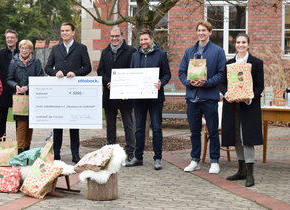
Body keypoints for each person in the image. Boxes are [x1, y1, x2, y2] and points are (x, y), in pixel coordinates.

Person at [179, 21, 226, 174]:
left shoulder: (218, 51)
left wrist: (206, 83)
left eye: (204, 30)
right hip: (192, 98)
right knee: (194, 132)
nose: (201, 33)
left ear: (210, 32)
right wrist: (189, 82)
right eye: (199, 30)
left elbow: (221, 74)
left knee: (212, 131)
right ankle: (194, 160)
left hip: (209, 97)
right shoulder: (189, 52)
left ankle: (214, 161)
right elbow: (181, 72)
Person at [219, 33, 264, 187]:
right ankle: (241, 171)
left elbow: (259, 86)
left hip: (249, 106)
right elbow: (221, 83)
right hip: (232, 106)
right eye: (238, 42)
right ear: (235, 45)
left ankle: (250, 174)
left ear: (248, 44)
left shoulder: (256, 63)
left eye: (244, 42)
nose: (240, 45)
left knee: (247, 138)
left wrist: (250, 96)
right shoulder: (229, 64)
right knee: (237, 137)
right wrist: (227, 94)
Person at [125, 28, 171, 170]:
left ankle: (157, 158)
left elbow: (167, 75)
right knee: (139, 129)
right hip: (139, 99)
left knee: (156, 128)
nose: (143, 42)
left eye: (146, 39)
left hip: (155, 98)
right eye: (141, 40)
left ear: (151, 39)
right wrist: (127, 90)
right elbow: (132, 76)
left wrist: (161, 83)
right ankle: (138, 157)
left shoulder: (161, 54)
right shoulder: (135, 56)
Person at [45, 22, 92, 163]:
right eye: (62, 31)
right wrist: (55, 72)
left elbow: (88, 67)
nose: (64, 33)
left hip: (74, 91)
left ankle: (75, 154)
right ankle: (57, 154)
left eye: (67, 30)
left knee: (73, 123)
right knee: (58, 123)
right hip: (59, 91)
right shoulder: (55, 49)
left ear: (73, 32)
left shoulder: (81, 48)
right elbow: (47, 68)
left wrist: (76, 73)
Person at [97, 26, 137, 161]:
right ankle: (111, 152)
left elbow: (134, 70)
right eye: (112, 36)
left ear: (122, 36)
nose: (114, 39)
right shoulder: (105, 52)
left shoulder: (131, 51)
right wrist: (108, 82)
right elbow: (100, 71)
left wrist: (125, 86)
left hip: (125, 95)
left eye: (117, 36)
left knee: (128, 125)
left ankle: (130, 152)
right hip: (109, 94)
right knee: (110, 125)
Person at [7, 39, 45, 154]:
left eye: (26, 48)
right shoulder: (14, 62)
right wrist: (16, 86)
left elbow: (41, 77)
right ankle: (20, 151)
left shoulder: (36, 62)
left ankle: (27, 149)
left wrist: (28, 87)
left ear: (30, 50)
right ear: (20, 49)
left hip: (33, 97)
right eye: (22, 48)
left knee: (30, 124)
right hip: (20, 98)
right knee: (21, 125)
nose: (24, 50)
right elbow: (9, 79)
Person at [0, 29, 19, 154]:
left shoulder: (22, 52)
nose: (10, 39)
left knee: (19, 119)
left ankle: (20, 145)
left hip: (18, 90)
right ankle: (1, 144)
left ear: (16, 39)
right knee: (2, 119)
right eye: (8, 37)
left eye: (12, 37)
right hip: (3, 90)